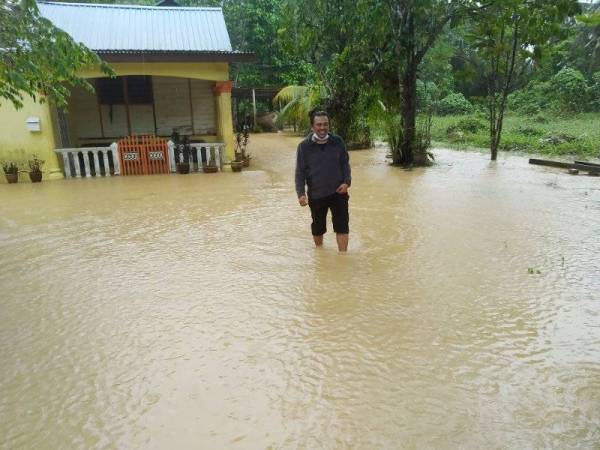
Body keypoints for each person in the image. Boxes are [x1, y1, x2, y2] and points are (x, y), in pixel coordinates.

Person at [295, 110, 351, 252]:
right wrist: (301, 193)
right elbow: (300, 172)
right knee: (318, 228)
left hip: (339, 192)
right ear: (312, 127)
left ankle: (343, 259)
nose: (322, 128)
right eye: (318, 124)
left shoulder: (338, 141)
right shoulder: (304, 147)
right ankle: (320, 254)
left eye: (325, 124)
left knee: (342, 226)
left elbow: (345, 164)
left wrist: (346, 182)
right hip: (316, 194)